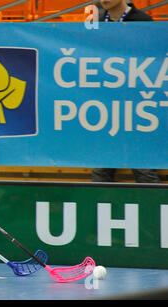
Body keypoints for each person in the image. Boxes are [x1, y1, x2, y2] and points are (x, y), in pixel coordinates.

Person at [92, 0, 159, 183]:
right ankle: (98, 209)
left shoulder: (142, 21)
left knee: (143, 169)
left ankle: (153, 210)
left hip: (136, 108)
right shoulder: (94, 21)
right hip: (104, 108)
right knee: (100, 169)